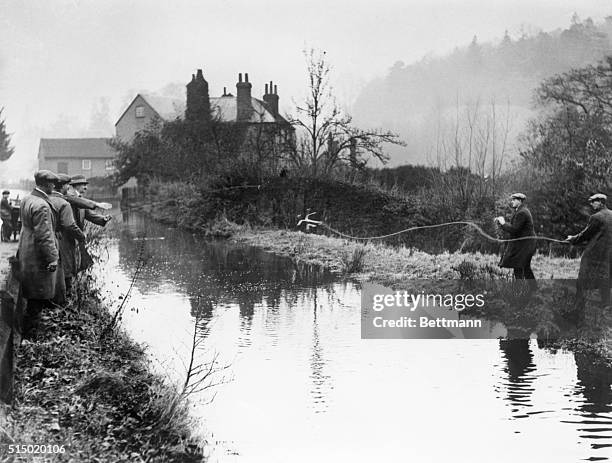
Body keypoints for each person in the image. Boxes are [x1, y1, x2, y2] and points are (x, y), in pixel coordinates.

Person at [17, 171, 61, 334]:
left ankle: (29, 332)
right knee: (38, 296)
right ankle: (31, 335)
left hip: (27, 251)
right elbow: (45, 235)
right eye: (52, 183)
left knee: (32, 295)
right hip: (38, 256)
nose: (54, 186)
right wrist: (52, 258)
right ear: (45, 184)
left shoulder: (28, 199)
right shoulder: (41, 205)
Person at [566, 193, 612, 313]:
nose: (591, 204)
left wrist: (573, 239)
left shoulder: (596, 217)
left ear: (601, 202)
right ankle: (606, 303)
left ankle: (578, 301)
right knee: (604, 276)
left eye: (594, 201)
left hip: (595, 253)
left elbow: (585, 234)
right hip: (608, 253)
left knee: (583, 274)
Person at [48, 174, 86, 300]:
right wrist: (81, 236)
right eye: (67, 185)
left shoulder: (46, 199)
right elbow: (70, 225)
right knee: (67, 268)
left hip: (49, 239)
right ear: (63, 186)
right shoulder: (64, 203)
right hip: (63, 240)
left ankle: (53, 296)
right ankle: (65, 298)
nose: (68, 187)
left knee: (55, 268)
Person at [68, 174, 112, 271]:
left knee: (82, 264)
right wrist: (98, 204)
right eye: (83, 185)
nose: (86, 187)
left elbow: (89, 215)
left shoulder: (80, 199)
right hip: (69, 239)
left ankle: (78, 283)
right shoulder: (70, 197)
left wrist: (103, 219)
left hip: (78, 239)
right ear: (76, 185)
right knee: (72, 266)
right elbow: (81, 203)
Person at [495, 193, 537, 284]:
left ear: (520, 201)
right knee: (524, 267)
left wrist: (503, 223)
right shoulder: (521, 211)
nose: (512, 201)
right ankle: (533, 289)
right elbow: (515, 228)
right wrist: (502, 224)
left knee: (518, 266)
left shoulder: (522, 213)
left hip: (525, 246)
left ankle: (521, 291)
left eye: (514, 200)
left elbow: (514, 230)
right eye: (512, 199)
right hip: (525, 245)